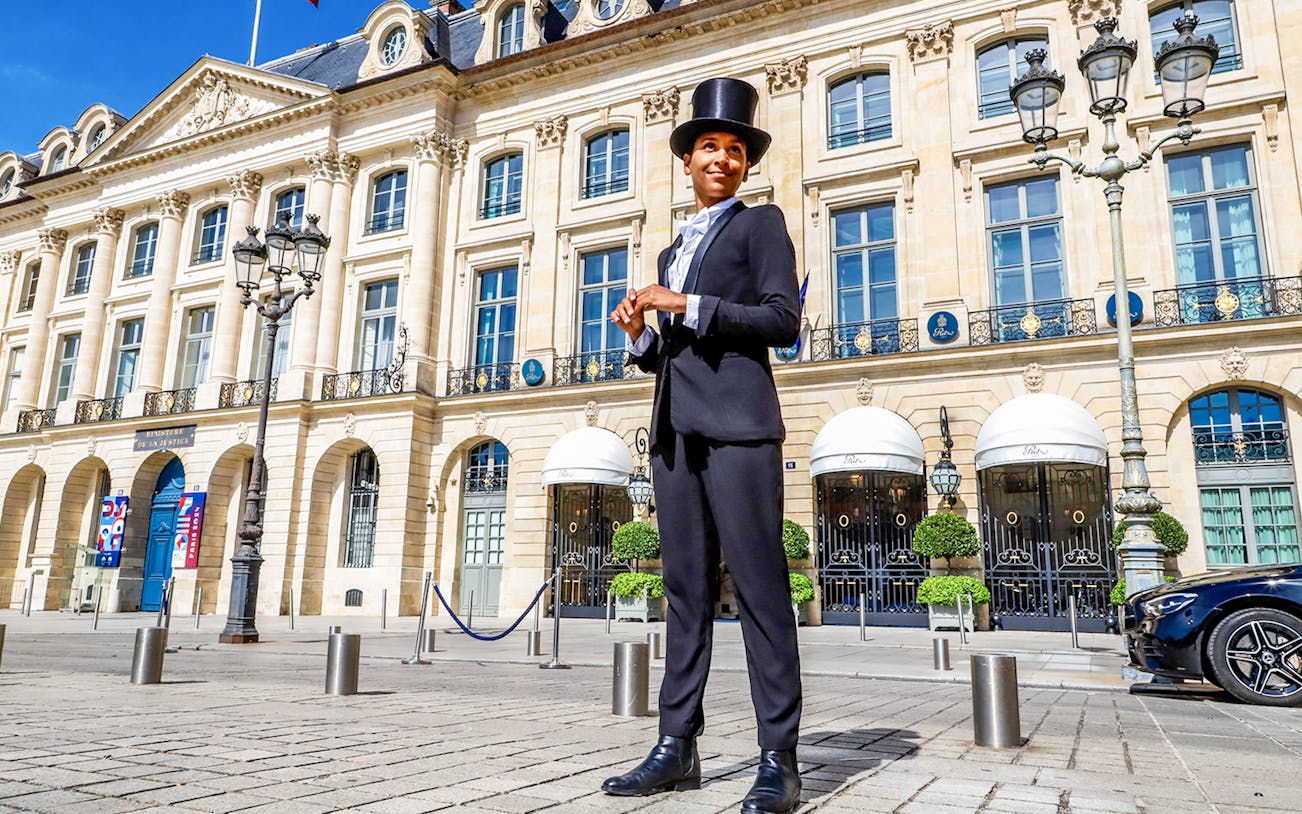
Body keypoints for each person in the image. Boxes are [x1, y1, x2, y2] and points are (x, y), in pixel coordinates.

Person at [602, 77, 803, 814]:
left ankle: (779, 759)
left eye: (735, 149)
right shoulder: (668, 251)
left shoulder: (761, 226)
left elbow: (782, 320)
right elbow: (674, 359)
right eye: (709, 147)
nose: (722, 158)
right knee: (684, 593)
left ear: (746, 164)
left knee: (760, 592)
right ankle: (675, 746)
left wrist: (687, 304)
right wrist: (641, 338)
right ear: (686, 160)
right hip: (675, 438)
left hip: (743, 430)